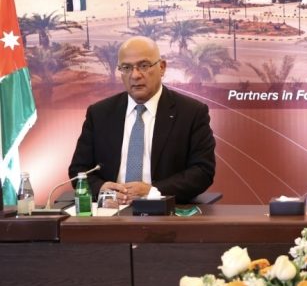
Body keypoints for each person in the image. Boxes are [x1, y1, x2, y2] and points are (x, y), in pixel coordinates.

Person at [68, 36, 216, 204]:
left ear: (162, 67)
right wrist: (101, 189)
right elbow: (79, 170)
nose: (135, 75)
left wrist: (153, 191)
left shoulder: (191, 113)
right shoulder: (99, 113)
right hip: (110, 210)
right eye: (126, 68)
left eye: (144, 66)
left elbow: (202, 171)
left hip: (165, 211)